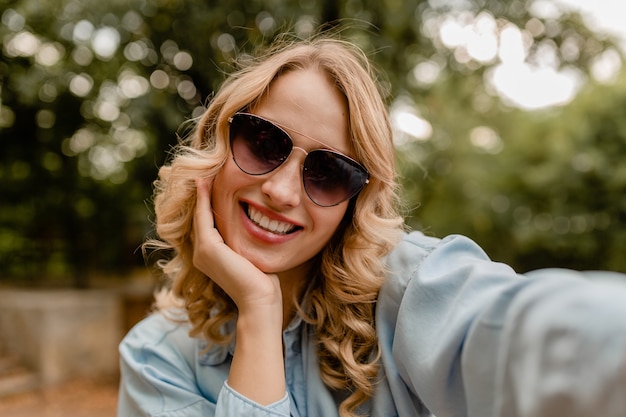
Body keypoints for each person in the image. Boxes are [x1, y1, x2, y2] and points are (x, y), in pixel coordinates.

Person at [117, 33, 626, 417]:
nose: (282, 191)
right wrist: (258, 309)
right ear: (217, 145)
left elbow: (529, 333)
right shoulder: (156, 360)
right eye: (264, 143)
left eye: (329, 173)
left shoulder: (411, 293)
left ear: (354, 203)